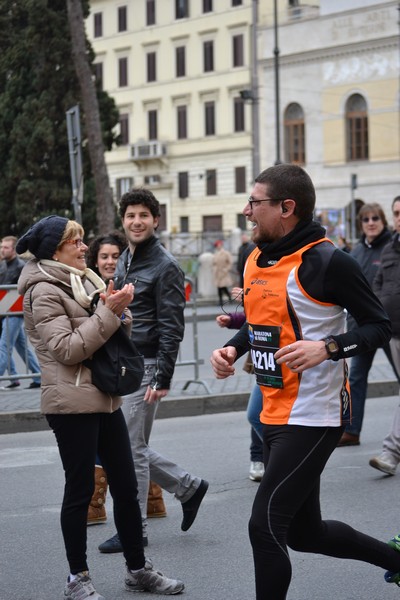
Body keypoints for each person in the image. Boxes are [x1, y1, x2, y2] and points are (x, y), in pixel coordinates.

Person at [210, 164, 400, 599]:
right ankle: (397, 561)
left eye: (255, 203)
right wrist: (233, 350)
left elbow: (378, 326)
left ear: (286, 208)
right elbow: (260, 321)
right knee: (305, 533)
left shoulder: (329, 261)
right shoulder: (257, 256)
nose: (246, 211)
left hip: (314, 415)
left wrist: (328, 347)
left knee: (265, 525)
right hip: (272, 412)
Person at [16, 216, 184, 599]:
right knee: (80, 492)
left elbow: (107, 338)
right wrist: (109, 313)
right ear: (53, 251)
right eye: (74, 242)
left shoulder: (84, 281)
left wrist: (119, 311)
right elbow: (68, 349)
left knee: (126, 488)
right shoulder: (43, 290)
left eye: (81, 241)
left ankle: (138, 569)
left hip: (105, 397)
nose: (83, 248)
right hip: (70, 404)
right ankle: (77, 578)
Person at [99, 188, 208, 554]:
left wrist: (163, 376)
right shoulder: (127, 258)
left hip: (146, 366)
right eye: (130, 215)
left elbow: (172, 326)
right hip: (125, 363)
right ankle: (188, 487)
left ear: (155, 220)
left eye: (143, 215)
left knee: (131, 450)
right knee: (132, 446)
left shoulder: (166, 265)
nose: (136, 221)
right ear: (124, 220)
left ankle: (136, 531)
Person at [85, 232, 167, 525]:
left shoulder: (126, 284)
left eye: (115, 256)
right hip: (110, 368)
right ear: (94, 259)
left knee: (123, 442)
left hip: (127, 367)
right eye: (104, 256)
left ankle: (102, 506)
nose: (109, 261)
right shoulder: (90, 285)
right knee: (125, 441)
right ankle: (156, 496)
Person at [338, 203, 400, 447]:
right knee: (355, 377)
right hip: (363, 328)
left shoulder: (391, 246)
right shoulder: (356, 252)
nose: (371, 223)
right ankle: (352, 430)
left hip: (389, 326)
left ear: (383, 221)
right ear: (361, 224)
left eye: (376, 218)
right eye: (366, 219)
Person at [369, 196, 400, 475]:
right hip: (394, 334)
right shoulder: (390, 250)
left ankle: (391, 452)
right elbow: (378, 286)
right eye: (397, 214)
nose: (399, 218)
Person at [216, 308, 265, 482]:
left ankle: (281, 460)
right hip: (266, 363)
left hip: (291, 360)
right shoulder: (253, 280)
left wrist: (328, 348)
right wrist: (232, 347)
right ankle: (262, 458)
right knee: (256, 415)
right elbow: (253, 316)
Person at [0, 236, 41, 390]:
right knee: (21, 347)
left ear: (14, 249)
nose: (3, 250)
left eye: (6, 247)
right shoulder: (3, 266)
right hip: (5, 313)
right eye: (2, 247)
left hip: (15, 313)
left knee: (4, 345)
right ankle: (37, 377)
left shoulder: (21, 266)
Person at [212, 239, 233, 304]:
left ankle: (228, 297)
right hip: (217, 272)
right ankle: (221, 300)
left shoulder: (226, 253)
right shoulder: (215, 253)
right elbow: (214, 263)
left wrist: (226, 269)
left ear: (221, 245)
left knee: (223, 287)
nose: (218, 246)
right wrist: (214, 269)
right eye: (217, 245)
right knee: (219, 287)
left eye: (219, 245)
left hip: (223, 272)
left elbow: (230, 262)